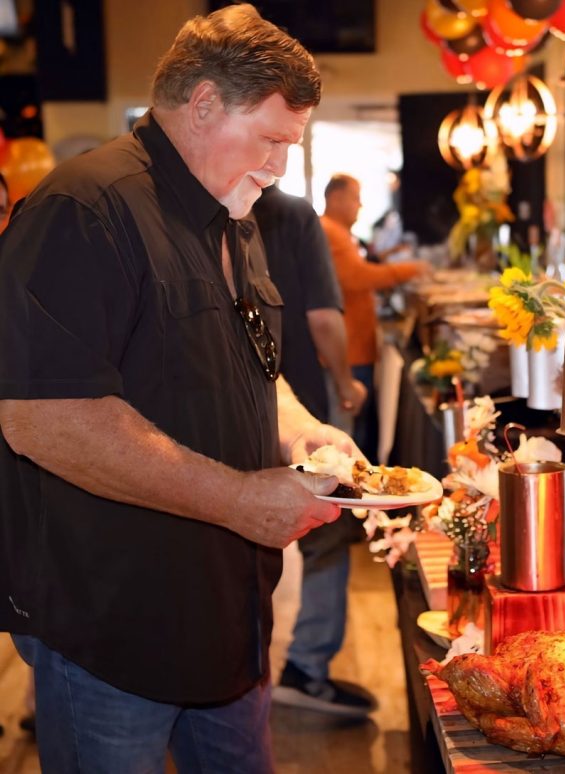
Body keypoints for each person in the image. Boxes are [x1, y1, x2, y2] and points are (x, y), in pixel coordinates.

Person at [0, 6, 361, 770]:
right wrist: (238, 499)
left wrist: (303, 432)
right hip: (115, 626)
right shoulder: (84, 209)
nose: (279, 168)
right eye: (271, 140)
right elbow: (43, 419)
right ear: (202, 106)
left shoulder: (234, 216)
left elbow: (251, 370)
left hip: (229, 622)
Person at [251, 183, 375, 716]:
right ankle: (306, 667)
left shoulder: (199, 205)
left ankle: (242, 678)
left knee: (243, 543)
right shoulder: (293, 215)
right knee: (326, 532)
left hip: (240, 412)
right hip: (298, 404)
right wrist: (346, 381)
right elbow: (324, 316)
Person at [320, 173, 429, 460]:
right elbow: (356, 277)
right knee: (351, 440)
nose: (360, 206)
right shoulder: (329, 231)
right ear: (336, 198)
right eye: (355, 198)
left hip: (356, 346)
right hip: (349, 352)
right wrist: (409, 270)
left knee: (359, 432)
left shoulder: (339, 232)